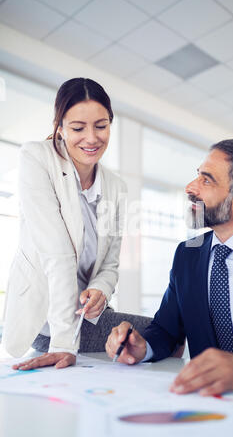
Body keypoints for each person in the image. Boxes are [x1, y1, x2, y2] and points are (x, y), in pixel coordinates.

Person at [106, 138, 233, 396]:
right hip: (207, 406)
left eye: (206, 180)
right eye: (197, 176)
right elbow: (166, 329)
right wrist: (143, 346)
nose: (190, 187)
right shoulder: (187, 253)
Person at [2, 77, 137, 370]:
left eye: (101, 126)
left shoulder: (116, 187)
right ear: (60, 127)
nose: (91, 138)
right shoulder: (37, 158)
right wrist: (63, 344)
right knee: (159, 336)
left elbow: (110, 264)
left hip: (84, 317)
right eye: (78, 128)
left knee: (162, 336)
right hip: (47, 323)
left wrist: (101, 288)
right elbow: (58, 254)